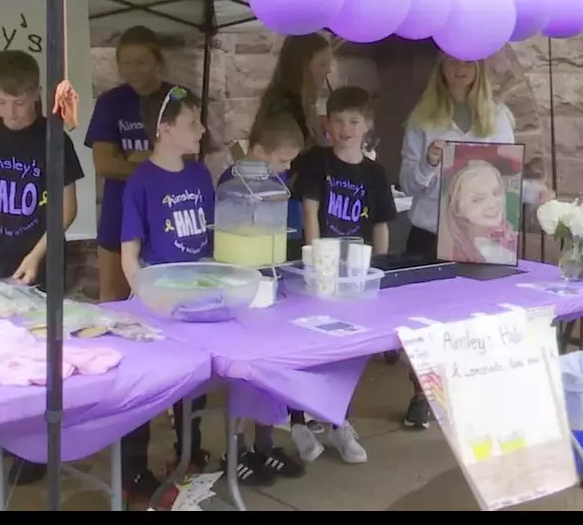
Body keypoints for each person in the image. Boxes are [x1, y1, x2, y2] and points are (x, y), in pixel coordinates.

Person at [398, 53, 553, 431]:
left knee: (477, 320)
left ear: (479, 66)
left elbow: (507, 180)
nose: (460, 67)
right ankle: (424, 394)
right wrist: (430, 163)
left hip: (482, 237)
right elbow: (407, 185)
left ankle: (474, 394)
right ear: (441, 66)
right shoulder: (422, 118)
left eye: (468, 60)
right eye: (452, 60)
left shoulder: (498, 116)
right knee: (427, 322)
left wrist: (535, 194)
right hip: (431, 232)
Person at [0, 49, 84, 484]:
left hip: (41, 262)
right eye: (2, 102)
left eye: (20, 102)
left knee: (36, 355)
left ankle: (37, 448)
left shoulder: (54, 138)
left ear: (36, 95)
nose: (11, 112)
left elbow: (66, 209)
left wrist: (37, 254)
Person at [291, 86, 397, 466]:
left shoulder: (375, 173)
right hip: (321, 269)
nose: (346, 128)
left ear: (367, 125)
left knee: (349, 351)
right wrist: (316, 263)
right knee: (307, 345)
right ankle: (298, 419)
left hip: (356, 274)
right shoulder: (318, 162)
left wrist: (380, 270)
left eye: (354, 120)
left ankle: (338, 419)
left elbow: (382, 224)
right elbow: (309, 212)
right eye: (338, 120)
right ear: (327, 125)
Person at [117, 84, 211, 508]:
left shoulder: (200, 175)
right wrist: (147, 300)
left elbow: (210, 245)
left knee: (197, 383)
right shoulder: (140, 182)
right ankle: (133, 469)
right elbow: (129, 255)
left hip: (198, 300)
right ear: (165, 129)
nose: (202, 129)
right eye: (193, 123)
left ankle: (188, 452)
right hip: (158, 305)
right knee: (147, 388)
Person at [215, 115, 307, 487]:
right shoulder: (232, 184)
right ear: (259, 152)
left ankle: (264, 444)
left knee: (269, 372)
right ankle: (233, 449)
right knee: (243, 375)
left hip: (270, 279)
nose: (287, 169)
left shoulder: (276, 184)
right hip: (239, 287)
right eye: (283, 160)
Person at [84, 26, 174, 303]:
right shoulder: (111, 102)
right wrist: (154, 164)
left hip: (166, 209)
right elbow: (104, 164)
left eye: (141, 62)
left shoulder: (177, 98)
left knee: (167, 295)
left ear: (158, 62)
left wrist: (133, 163)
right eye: (125, 63)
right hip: (119, 209)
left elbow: (187, 158)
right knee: (113, 298)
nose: (133, 70)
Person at [252, 32, 334, 260]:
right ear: (303, 66)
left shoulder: (301, 102)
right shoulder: (284, 106)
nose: (328, 71)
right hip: (285, 207)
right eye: (322, 64)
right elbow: (295, 158)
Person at [438, 157, 521, 265]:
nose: (492, 204)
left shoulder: (510, 236)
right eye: (477, 199)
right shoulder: (453, 252)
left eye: (496, 193)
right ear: (457, 208)